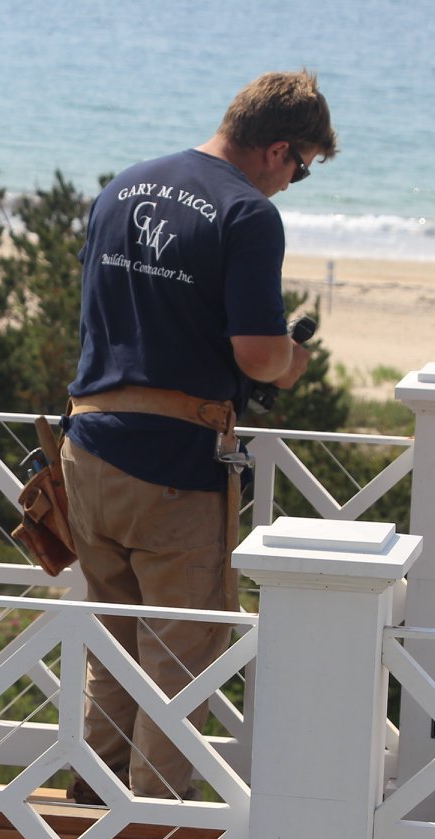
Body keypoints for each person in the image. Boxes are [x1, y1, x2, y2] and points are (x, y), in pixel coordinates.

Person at [62, 70, 336, 802]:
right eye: (302, 169)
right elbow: (256, 353)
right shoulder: (246, 214)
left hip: (86, 449)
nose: (292, 184)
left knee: (113, 652)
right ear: (279, 149)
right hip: (173, 465)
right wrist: (291, 361)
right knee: (181, 663)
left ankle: (87, 816)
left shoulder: (125, 186)